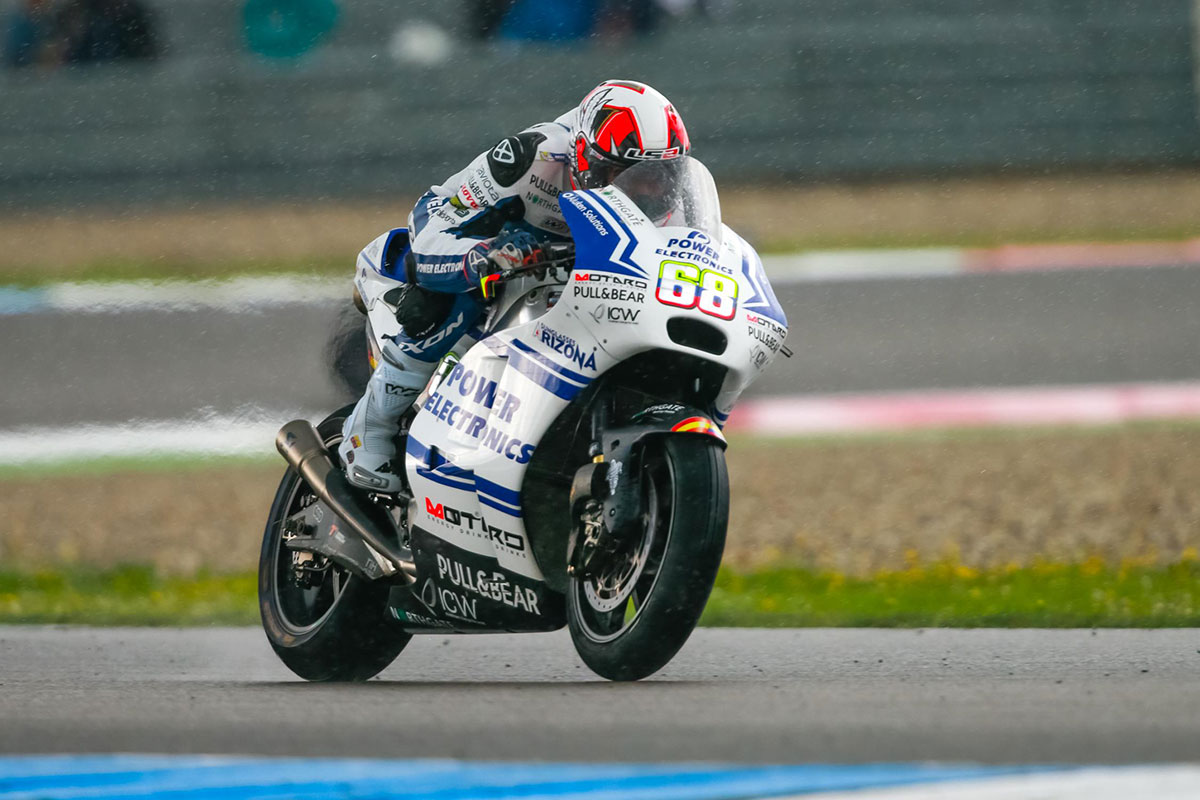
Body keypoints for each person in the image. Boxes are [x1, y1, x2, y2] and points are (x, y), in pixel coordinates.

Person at [339, 79, 691, 492]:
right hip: (477, 250)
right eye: (623, 174)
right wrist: (485, 257)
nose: (643, 190)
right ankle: (369, 428)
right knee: (443, 304)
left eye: (657, 177)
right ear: (584, 155)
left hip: (579, 280)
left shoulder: (672, 203)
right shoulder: (532, 157)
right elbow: (433, 228)